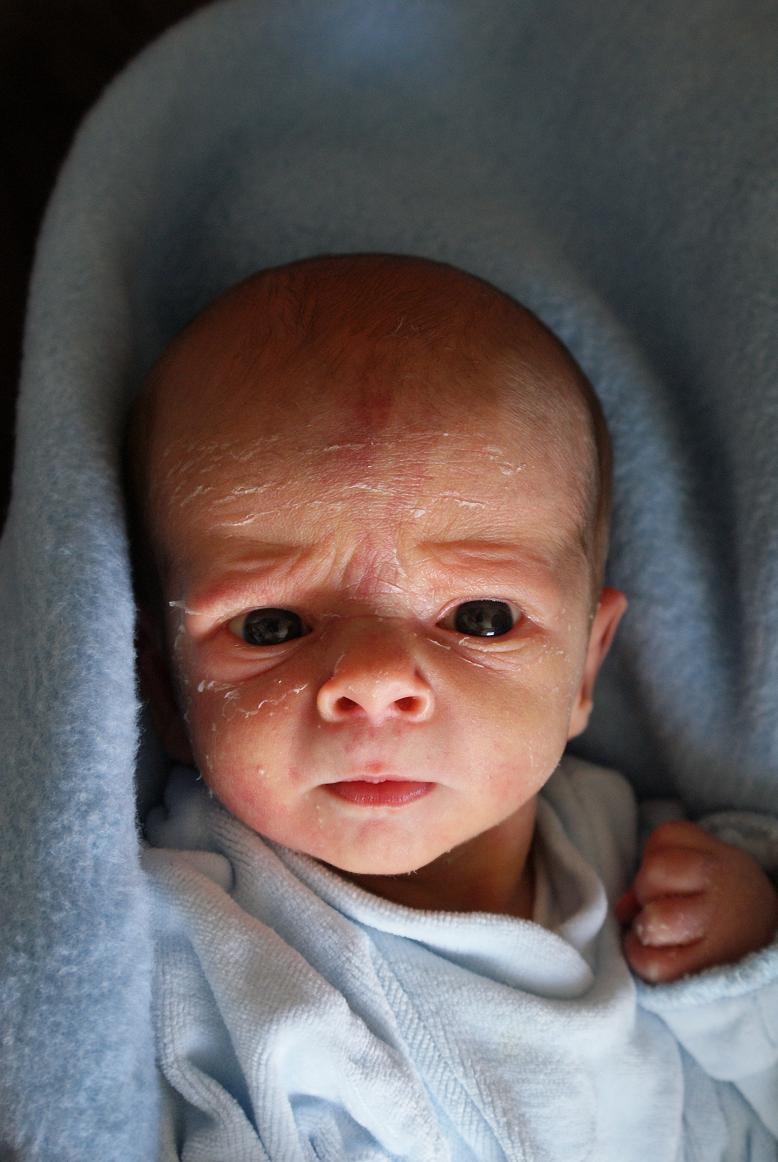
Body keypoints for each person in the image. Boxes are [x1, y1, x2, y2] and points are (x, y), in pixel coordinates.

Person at [129, 253, 778, 1160]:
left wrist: (744, 969)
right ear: (165, 688)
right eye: (272, 625)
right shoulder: (188, 939)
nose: (375, 681)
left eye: (481, 618)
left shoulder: (649, 864)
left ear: (584, 667)